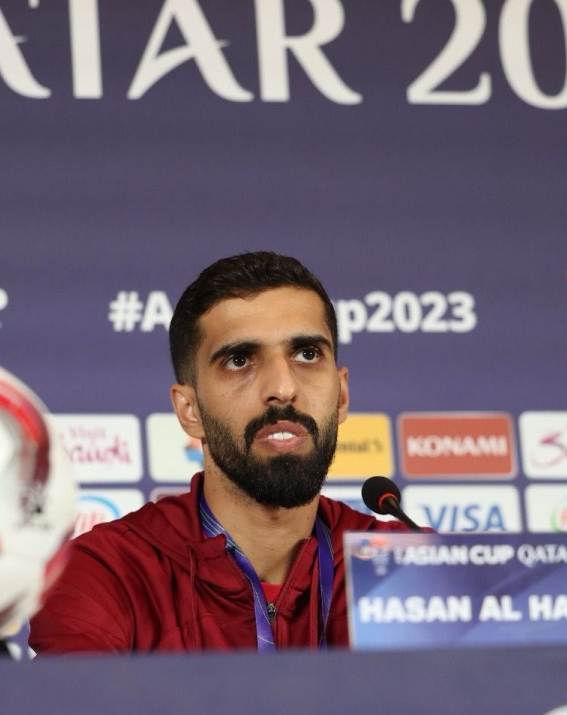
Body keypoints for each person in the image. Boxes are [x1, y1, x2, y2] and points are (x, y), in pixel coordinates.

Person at [29, 251, 407, 653]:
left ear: (342, 394)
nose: (283, 387)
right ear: (189, 411)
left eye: (307, 354)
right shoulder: (108, 573)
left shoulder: (408, 565)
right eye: (240, 360)